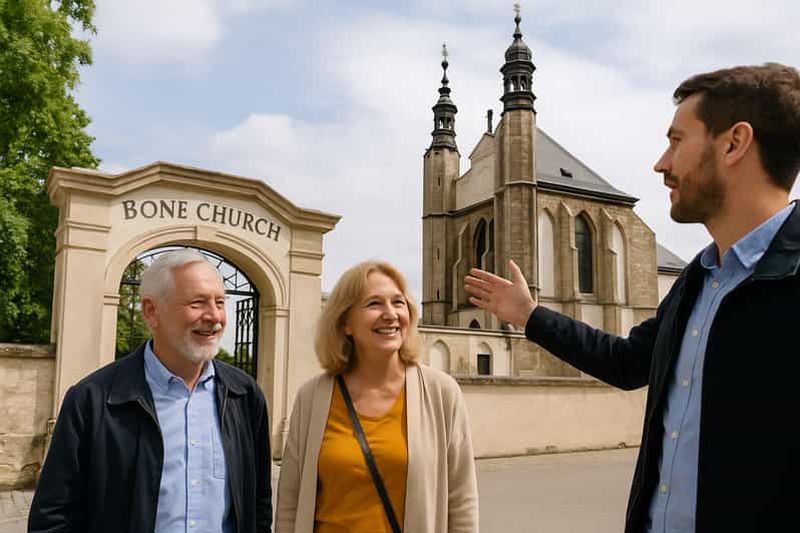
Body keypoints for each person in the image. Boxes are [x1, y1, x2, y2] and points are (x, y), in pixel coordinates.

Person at [465, 63, 800, 533]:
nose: (661, 164)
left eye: (677, 141)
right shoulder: (697, 280)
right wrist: (530, 315)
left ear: (734, 143)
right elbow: (625, 363)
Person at [28, 249, 273, 532]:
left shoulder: (244, 395)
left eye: (220, 302)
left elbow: (258, 508)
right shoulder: (92, 400)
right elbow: (53, 517)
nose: (215, 316)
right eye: (197, 303)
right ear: (151, 311)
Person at [275, 261, 478, 532]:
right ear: (345, 322)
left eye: (398, 302)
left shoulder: (441, 392)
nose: (390, 314)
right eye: (374, 304)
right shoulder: (312, 397)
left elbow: (461, 500)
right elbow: (290, 502)